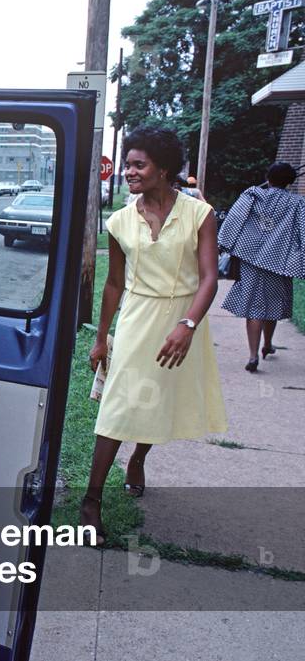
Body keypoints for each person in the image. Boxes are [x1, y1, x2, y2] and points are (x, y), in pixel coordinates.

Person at [83, 126, 227, 545]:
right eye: (127, 165)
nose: (129, 172)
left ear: (163, 168)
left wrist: (188, 325)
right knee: (117, 407)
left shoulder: (200, 214)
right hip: (137, 318)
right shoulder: (119, 221)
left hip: (184, 320)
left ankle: (138, 460)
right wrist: (102, 335)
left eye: (138, 164)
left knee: (158, 401)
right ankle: (90, 501)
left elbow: (208, 278)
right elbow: (113, 284)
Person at [219, 162, 305, 371]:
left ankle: (252, 355)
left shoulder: (252, 195)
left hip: (250, 259)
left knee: (255, 306)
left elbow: (234, 220)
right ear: (290, 182)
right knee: (272, 304)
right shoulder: (297, 203)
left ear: (268, 177)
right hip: (279, 262)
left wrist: (223, 244)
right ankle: (267, 345)